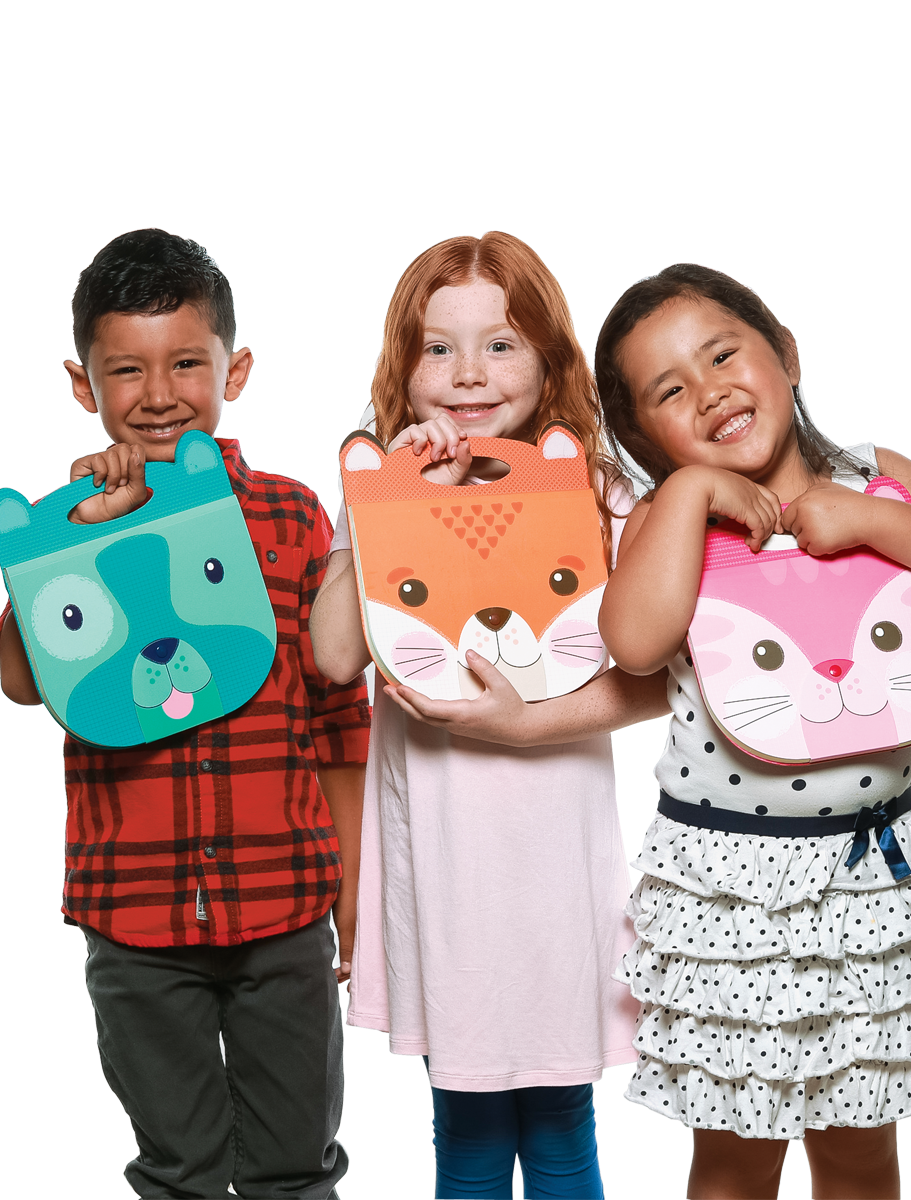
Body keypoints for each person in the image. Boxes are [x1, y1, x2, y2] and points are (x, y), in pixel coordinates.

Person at [594, 264, 911, 1200]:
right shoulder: (666, 526)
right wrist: (685, 498)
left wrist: (872, 518)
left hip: (873, 883)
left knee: (858, 1144)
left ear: (786, 358)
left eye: (724, 355)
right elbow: (634, 644)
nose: (709, 390)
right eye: (669, 391)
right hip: (732, 903)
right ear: (642, 436)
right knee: (736, 1159)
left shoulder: (881, 486)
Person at [0, 229, 369, 1200]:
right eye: (127, 369)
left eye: (186, 363)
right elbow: (22, 679)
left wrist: (354, 898)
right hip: (134, 915)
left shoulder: (291, 519)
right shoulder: (64, 525)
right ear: (87, 387)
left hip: (282, 903)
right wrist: (79, 539)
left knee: (294, 1165)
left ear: (233, 369)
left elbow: (338, 718)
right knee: (179, 1170)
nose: (158, 393)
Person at [309, 232, 670, 1199]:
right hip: (439, 858)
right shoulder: (387, 488)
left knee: (559, 1118)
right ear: (405, 367)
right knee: (464, 1124)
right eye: (439, 347)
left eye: (501, 344)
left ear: (549, 360)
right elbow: (338, 658)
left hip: (552, 859)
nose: (469, 374)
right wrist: (380, 504)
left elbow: (652, 681)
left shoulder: (597, 497)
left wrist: (521, 726)